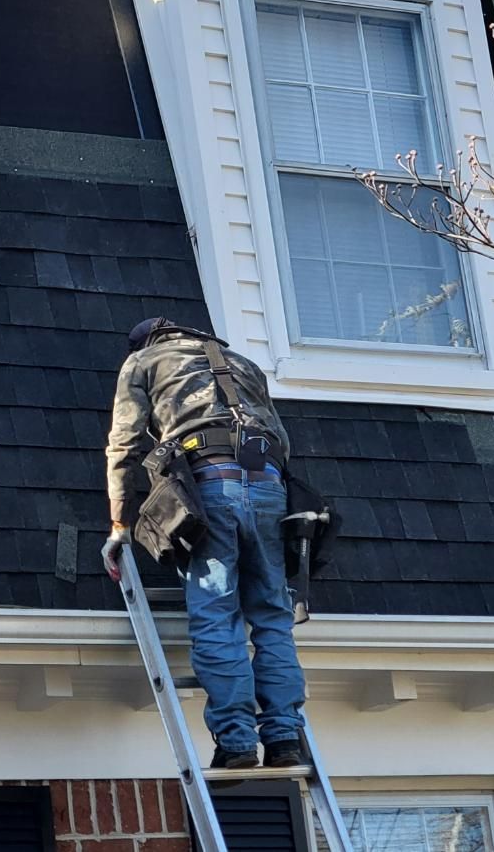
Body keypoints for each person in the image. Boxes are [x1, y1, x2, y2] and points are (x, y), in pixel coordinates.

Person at [100, 317, 307, 770]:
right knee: (272, 615)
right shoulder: (244, 363)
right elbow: (283, 442)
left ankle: (236, 743)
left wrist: (120, 524)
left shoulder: (144, 361)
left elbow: (125, 443)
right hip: (269, 481)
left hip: (208, 479)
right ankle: (285, 738)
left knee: (216, 613)